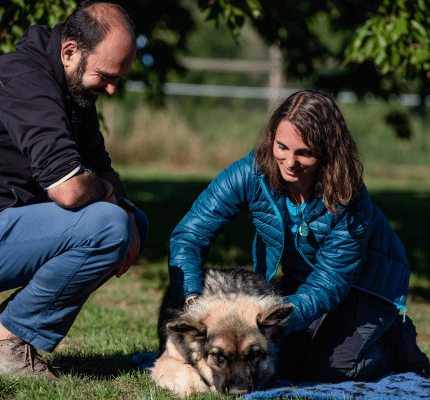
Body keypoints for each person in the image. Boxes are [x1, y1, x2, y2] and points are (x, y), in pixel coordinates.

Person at [0, 2, 148, 379]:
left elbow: (103, 169)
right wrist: (110, 200)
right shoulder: (27, 82)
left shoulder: (73, 88)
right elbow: (68, 190)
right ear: (70, 52)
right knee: (108, 226)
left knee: (133, 222)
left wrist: (124, 206)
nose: (112, 89)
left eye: (119, 78)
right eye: (106, 76)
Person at [168, 90, 429, 382]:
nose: (289, 162)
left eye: (304, 152)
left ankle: (397, 343)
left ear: (327, 153)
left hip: (368, 288)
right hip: (304, 280)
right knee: (278, 362)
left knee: (329, 369)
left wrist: (275, 323)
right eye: (282, 146)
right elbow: (190, 235)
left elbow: (330, 285)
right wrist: (192, 300)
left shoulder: (350, 197)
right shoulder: (250, 172)